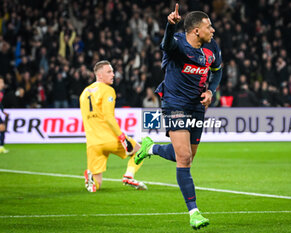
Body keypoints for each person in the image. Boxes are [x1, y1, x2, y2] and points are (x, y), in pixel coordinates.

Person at [135, 4, 222, 230]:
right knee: (184, 158)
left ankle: (150, 148)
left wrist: (211, 90)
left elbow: (217, 70)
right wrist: (169, 26)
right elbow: (166, 44)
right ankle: (194, 212)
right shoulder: (177, 44)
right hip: (175, 104)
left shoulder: (212, 47)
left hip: (197, 107)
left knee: (186, 156)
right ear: (195, 31)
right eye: (208, 26)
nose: (212, 30)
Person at [79, 60, 147, 192]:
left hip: (93, 143)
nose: (113, 74)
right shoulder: (107, 90)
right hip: (110, 138)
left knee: (97, 185)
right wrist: (122, 137)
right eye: (109, 72)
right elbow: (109, 118)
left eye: (112, 71)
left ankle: (91, 178)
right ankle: (129, 176)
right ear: (99, 75)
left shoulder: (84, 93)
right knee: (140, 150)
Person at [0, 78, 9, 153]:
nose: (3, 83)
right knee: (2, 127)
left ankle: (1, 147)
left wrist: (3, 111)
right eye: (1, 82)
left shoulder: (2, 92)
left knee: (2, 128)